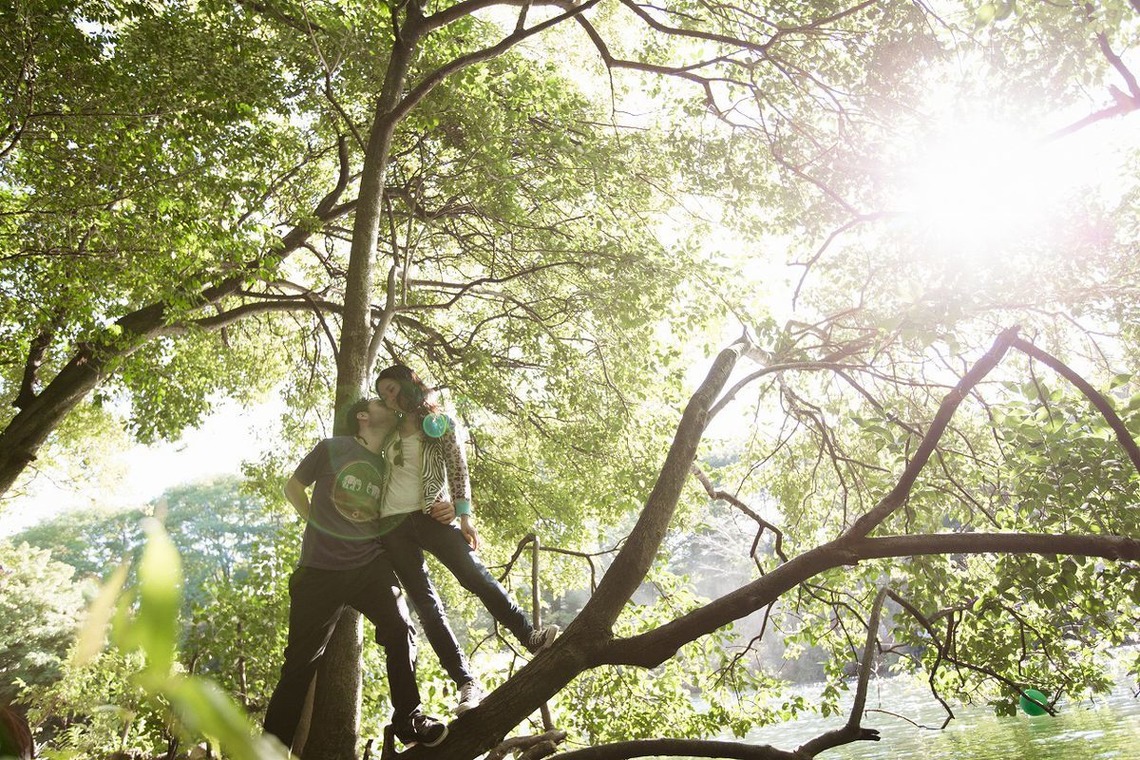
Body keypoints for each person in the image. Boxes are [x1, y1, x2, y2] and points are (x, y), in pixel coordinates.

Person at [263, 398, 449, 752]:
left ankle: (409, 719)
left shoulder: (390, 464)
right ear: (363, 417)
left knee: (399, 627)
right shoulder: (333, 448)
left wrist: (452, 507)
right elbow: (292, 488)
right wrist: (317, 523)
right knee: (299, 667)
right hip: (319, 572)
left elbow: (415, 503)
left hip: (370, 565)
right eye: (380, 402)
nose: (388, 405)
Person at [374, 364, 559, 715]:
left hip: (432, 515)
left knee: (473, 575)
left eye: (391, 389)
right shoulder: (388, 428)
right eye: (382, 393)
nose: (387, 397)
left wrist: (464, 516)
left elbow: (457, 466)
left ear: (406, 385)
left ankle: (529, 636)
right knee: (427, 608)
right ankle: (466, 684)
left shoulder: (437, 422)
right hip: (392, 525)